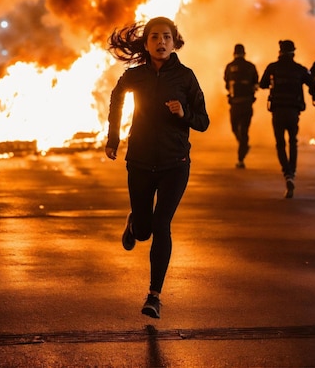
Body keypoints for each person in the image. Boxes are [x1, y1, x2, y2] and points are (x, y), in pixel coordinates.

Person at [105, 17, 209, 319]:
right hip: (138, 161)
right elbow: (116, 99)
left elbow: (203, 121)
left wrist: (184, 112)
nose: (160, 42)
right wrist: (113, 139)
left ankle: (154, 295)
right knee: (144, 232)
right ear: (146, 43)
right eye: (154, 37)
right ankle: (135, 223)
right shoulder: (135, 75)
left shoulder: (186, 77)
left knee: (162, 224)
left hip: (174, 164)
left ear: (175, 41)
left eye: (166, 37)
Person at [259, 40, 314, 198]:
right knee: (293, 141)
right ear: (293, 52)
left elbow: (262, 84)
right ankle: (292, 172)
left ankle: (287, 173)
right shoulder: (299, 69)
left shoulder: (273, 67)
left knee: (280, 143)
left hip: (277, 111)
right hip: (293, 111)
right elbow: (311, 84)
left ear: (280, 51)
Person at [224, 44, 259, 168]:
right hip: (247, 103)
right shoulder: (251, 67)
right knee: (244, 130)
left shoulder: (229, 66)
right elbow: (256, 84)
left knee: (235, 128)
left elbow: (226, 84)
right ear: (244, 53)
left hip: (235, 104)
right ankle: (243, 148)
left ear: (234, 53)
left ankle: (241, 155)